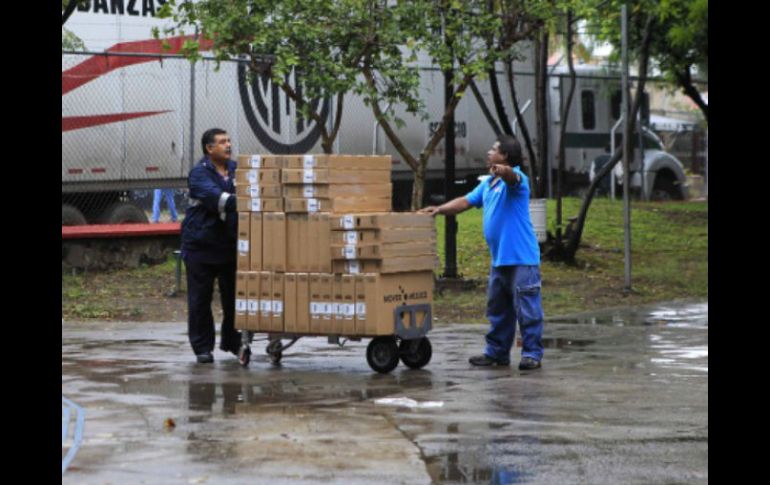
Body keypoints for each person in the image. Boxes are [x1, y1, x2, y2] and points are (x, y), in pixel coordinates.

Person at [419, 135, 544, 370]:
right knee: (498, 310)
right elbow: (465, 202)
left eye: (494, 149)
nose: (488, 152)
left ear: (505, 155)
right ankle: (496, 353)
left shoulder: (518, 181)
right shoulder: (488, 184)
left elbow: (512, 177)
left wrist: (504, 171)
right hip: (500, 260)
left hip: (522, 259)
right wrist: (439, 209)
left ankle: (532, 354)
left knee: (527, 309)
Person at [181, 128, 242, 364]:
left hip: (229, 245)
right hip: (201, 247)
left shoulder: (237, 170)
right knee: (200, 300)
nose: (228, 145)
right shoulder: (199, 174)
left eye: (229, 141)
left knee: (234, 299)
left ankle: (234, 343)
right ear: (209, 148)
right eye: (222, 142)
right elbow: (218, 199)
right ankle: (203, 348)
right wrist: (252, 198)